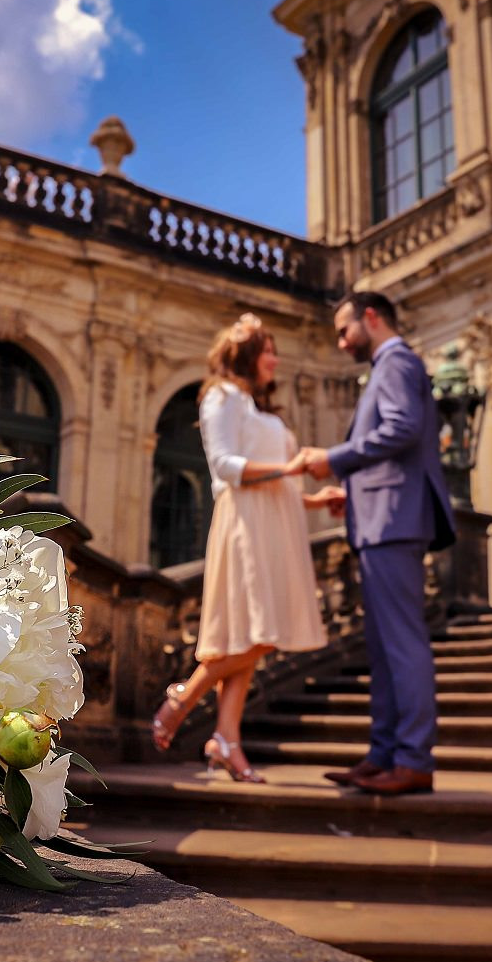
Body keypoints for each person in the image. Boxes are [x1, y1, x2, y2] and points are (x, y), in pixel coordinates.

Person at [150, 313, 336, 782]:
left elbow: (279, 480)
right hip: (246, 523)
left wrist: (316, 498)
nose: (275, 359)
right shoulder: (221, 396)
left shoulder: (254, 407)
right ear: (249, 353)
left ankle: (226, 739)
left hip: (275, 522)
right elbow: (226, 466)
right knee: (261, 633)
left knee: (251, 633)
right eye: (269, 349)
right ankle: (185, 698)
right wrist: (292, 469)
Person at [296, 291, 455, 796]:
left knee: (402, 644)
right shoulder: (391, 366)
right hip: (382, 517)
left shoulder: (396, 360)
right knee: (386, 649)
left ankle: (412, 759)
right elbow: (397, 445)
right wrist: (353, 489)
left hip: (395, 522)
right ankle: (384, 755)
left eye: (345, 330)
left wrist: (335, 458)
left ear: (371, 317)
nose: (342, 342)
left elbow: (402, 429)